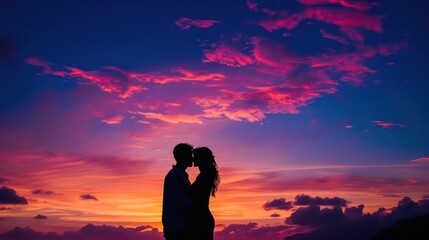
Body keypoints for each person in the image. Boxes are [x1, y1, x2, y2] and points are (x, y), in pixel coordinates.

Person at [162, 143, 194, 240]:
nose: (192, 158)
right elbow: (183, 201)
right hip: (177, 229)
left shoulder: (179, 175)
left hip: (178, 228)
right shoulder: (175, 176)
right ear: (181, 156)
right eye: (189, 155)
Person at [189, 147, 220, 240]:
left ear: (201, 158)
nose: (193, 158)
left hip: (201, 219)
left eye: (195, 156)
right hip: (202, 217)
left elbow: (193, 194)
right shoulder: (206, 174)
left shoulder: (204, 176)